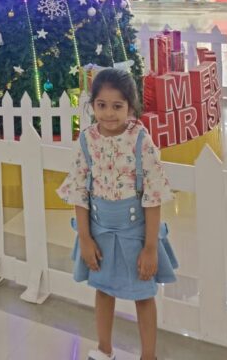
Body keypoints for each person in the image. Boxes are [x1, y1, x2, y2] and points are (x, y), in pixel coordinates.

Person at [57, 69, 178, 360]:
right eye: (101, 105)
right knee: (103, 290)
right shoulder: (87, 140)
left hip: (135, 233)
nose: (109, 113)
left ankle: (149, 355)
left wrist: (150, 247)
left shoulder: (140, 141)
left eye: (117, 106)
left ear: (130, 107)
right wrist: (85, 239)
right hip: (99, 231)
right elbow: (79, 193)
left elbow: (153, 198)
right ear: (92, 105)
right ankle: (104, 348)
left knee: (144, 295)